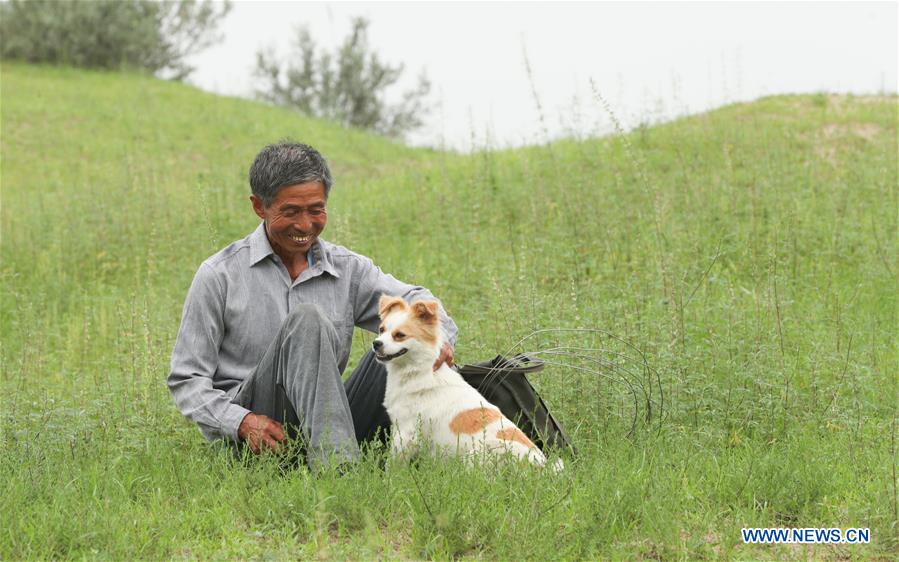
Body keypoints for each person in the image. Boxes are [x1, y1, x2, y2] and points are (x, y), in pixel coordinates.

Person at [167, 141, 457, 469]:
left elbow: (418, 300)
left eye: (316, 210)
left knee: (402, 346)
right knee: (306, 320)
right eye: (291, 212)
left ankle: (443, 451)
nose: (305, 226)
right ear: (259, 206)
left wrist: (439, 338)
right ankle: (340, 473)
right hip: (257, 435)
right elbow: (187, 379)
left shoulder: (348, 269)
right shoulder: (219, 275)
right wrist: (242, 422)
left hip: (329, 421)